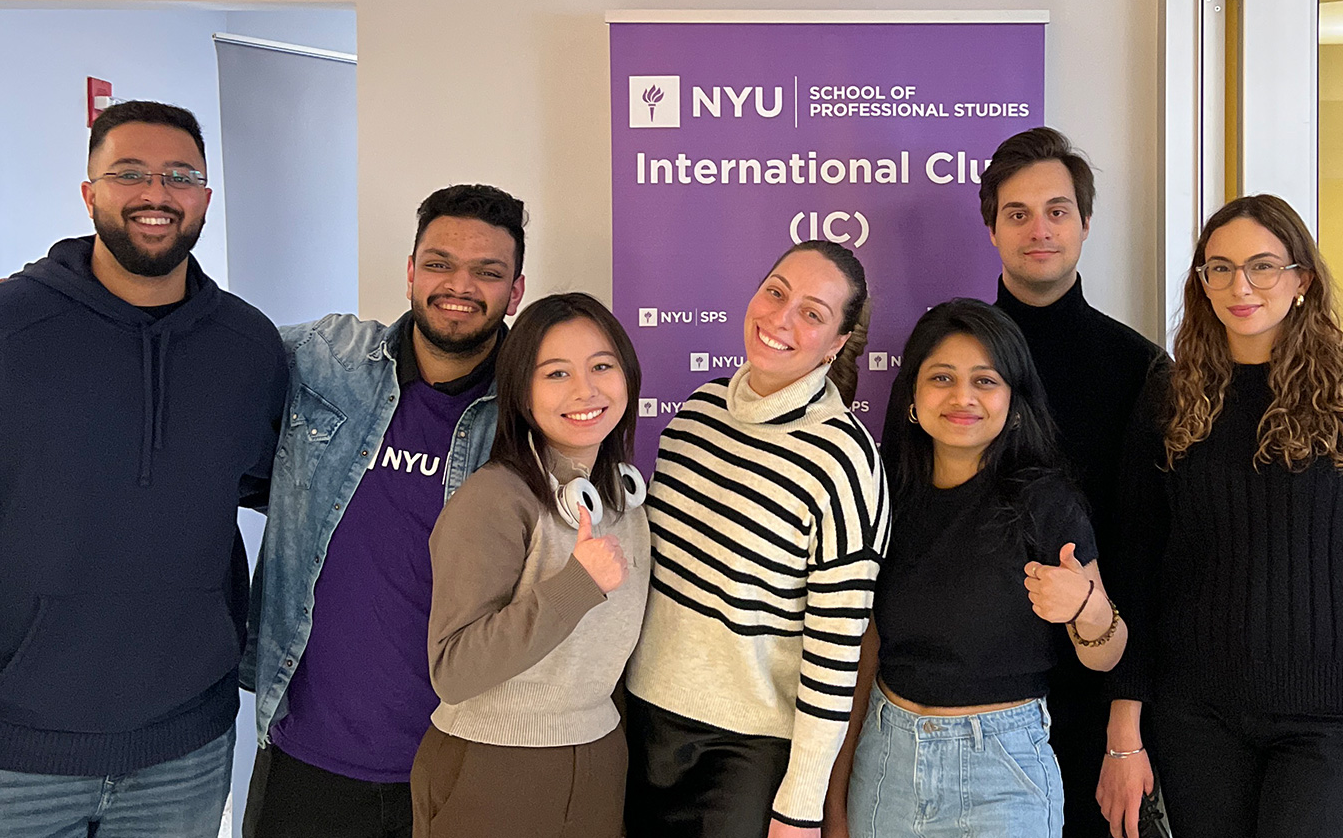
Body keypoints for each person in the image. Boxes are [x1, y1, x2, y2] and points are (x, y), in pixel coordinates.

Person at [0, 101, 287, 836]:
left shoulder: (250, 346)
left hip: (184, 749)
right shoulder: (6, 329)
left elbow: (268, 485)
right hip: (13, 750)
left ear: (204, 198)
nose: (157, 193)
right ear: (89, 192)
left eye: (180, 176)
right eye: (129, 173)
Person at [1107, 195, 1343, 838]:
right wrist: (1124, 732)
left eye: (1263, 266)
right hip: (1198, 722)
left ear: (1301, 278)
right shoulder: (1169, 397)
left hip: (1342, 725)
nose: (1241, 287)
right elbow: (1136, 568)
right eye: (1220, 268)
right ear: (1201, 282)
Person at [241, 184, 527, 838]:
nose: (459, 286)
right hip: (303, 756)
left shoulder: (533, 408)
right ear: (410, 271)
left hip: (458, 764)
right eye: (439, 263)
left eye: (487, 272)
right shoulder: (328, 357)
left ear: (515, 292)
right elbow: (211, 354)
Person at [824, 298, 1127, 838]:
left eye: (985, 381)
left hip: (1002, 770)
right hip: (886, 759)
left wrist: (1086, 606)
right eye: (942, 377)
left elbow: (1107, 654)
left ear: (1014, 401)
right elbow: (863, 649)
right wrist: (835, 792)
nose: (962, 397)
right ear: (912, 396)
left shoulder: (1048, 505)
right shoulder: (881, 495)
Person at [624, 239, 892, 838]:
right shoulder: (695, 415)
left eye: (812, 313)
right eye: (776, 292)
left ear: (837, 343)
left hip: (745, 756)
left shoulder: (845, 460)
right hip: (641, 724)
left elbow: (835, 654)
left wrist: (801, 804)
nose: (781, 318)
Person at [410, 292, 649, 838]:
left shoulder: (622, 499)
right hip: (494, 765)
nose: (585, 390)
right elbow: (454, 670)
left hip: (599, 756)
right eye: (557, 373)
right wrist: (577, 585)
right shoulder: (496, 498)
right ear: (521, 391)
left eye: (602, 366)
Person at [979, 126, 1163, 838]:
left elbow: (1147, 559)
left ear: (1085, 223)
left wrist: (1126, 727)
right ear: (992, 228)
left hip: (1095, 698)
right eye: (1018, 213)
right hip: (963, 700)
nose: (1039, 229)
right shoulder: (949, 362)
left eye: (1057, 211)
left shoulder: (1139, 369)